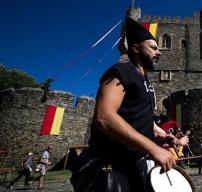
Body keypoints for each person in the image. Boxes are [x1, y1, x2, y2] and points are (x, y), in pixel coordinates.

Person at [72, 17, 181, 192]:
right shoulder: (122, 71)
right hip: (110, 168)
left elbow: (139, 116)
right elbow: (104, 117)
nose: (159, 52)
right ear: (136, 48)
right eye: (153, 48)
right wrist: (153, 148)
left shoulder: (147, 84)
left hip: (134, 167)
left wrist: (161, 134)